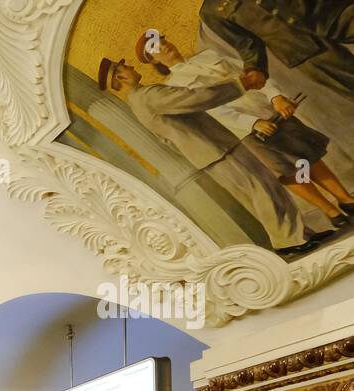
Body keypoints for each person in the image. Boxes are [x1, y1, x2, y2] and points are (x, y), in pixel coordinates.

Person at [98, 56, 315, 254]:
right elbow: (196, 98)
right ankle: (290, 242)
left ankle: (299, 234)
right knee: (262, 191)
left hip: (213, 150)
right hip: (215, 150)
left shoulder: (139, 101)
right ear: (120, 76)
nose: (130, 66)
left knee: (265, 187)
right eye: (124, 66)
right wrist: (242, 84)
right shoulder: (147, 96)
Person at [141, 31, 354, 227]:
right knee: (289, 170)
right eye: (155, 47)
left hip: (269, 109)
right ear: (153, 60)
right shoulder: (174, 87)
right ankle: (330, 211)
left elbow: (255, 74)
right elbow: (213, 112)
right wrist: (251, 123)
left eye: (164, 40)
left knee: (308, 156)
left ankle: (345, 199)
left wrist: (276, 97)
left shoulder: (209, 56)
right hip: (247, 131)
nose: (164, 46)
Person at [200, 0, 354, 103]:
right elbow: (246, 43)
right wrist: (255, 68)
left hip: (332, 12)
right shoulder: (210, 11)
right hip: (300, 49)